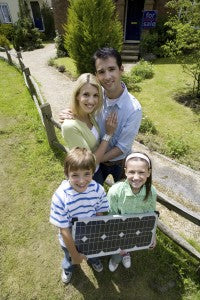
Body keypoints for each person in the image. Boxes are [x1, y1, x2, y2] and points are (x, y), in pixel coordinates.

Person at [59, 47, 142, 184]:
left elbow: (122, 147)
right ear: (96, 75)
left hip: (119, 163)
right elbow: (80, 105)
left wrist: (94, 160)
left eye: (111, 69)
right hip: (96, 165)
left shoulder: (134, 109)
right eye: (101, 72)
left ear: (121, 69)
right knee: (94, 197)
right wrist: (66, 112)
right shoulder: (95, 95)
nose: (107, 77)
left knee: (122, 199)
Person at [49, 147, 109, 283]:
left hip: (91, 234)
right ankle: (68, 268)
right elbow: (64, 230)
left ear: (93, 172)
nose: (82, 181)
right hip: (70, 238)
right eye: (75, 175)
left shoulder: (98, 189)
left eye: (87, 174)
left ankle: (94, 260)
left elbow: (99, 211)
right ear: (67, 174)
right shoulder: (60, 197)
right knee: (69, 257)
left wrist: (99, 232)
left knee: (92, 251)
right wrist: (75, 255)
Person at [61, 73, 117, 183]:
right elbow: (90, 162)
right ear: (77, 95)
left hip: (97, 171)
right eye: (86, 94)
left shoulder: (90, 114)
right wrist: (108, 135)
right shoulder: (70, 126)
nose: (91, 101)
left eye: (95, 95)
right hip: (86, 179)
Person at [107, 152, 157, 272]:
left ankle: (126, 253)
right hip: (118, 228)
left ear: (148, 173)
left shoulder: (152, 192)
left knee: (129, 247)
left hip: (137, 230)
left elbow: (150, 216)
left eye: (141, 172)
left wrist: (152, 235)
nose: (136, 177)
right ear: (125, 171)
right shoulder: (115, 191)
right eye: (131, 172)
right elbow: (111, 215)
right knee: (118, 250)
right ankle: (115, 259)